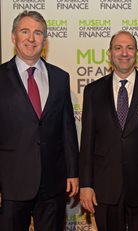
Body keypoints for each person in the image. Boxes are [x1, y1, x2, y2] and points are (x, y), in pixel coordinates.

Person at [79, 30, 138, 231]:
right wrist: (85, 184)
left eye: (130, 48)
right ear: (110, 53)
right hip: (105, 189)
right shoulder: (93, 91)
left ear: (137, 53)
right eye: (118, 48)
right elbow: (87, 142)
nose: (124, 53)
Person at [0, 11, 79, 231]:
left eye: (38, 33)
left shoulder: (60, 77)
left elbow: (67, 128)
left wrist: (73, 171)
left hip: (52, 183)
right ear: (14, 37)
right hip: (11, 183)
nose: (31, 38)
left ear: (44, 41)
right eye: (25, 32)